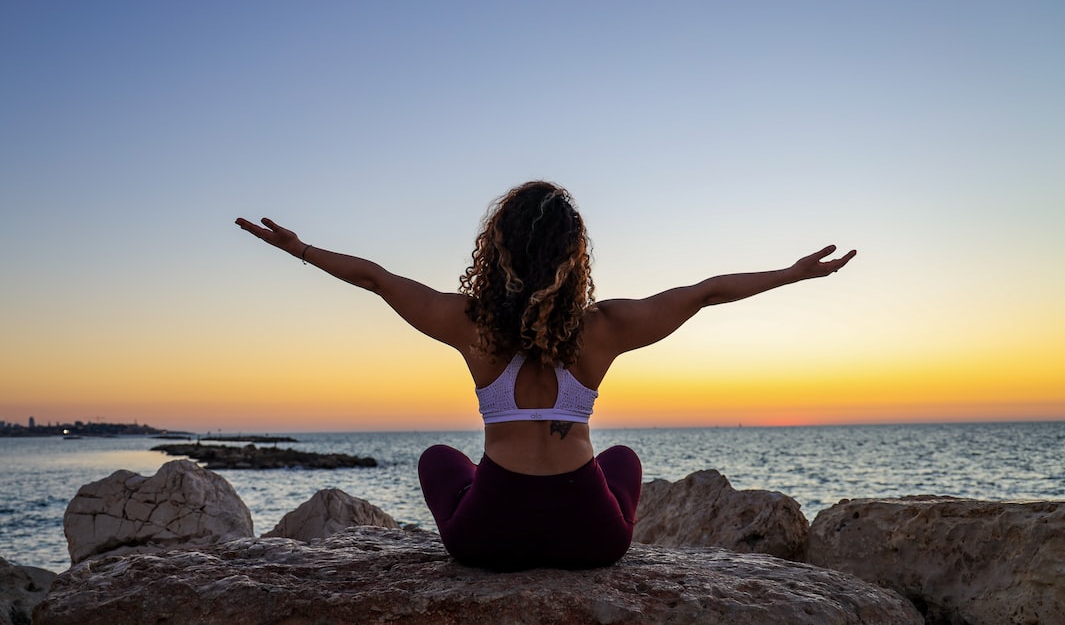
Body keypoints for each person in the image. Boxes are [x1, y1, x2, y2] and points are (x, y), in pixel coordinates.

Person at [236, 180, 855, 570]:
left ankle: (495, 488)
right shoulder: (604, 328)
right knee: (624, 461)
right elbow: (705, 292)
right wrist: (790, 273)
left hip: (486, 541)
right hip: (591, 541)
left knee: (437, 459)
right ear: (574, 255)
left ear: (495, 249)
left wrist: (301, 249)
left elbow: (376, 278)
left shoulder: (470, 323)